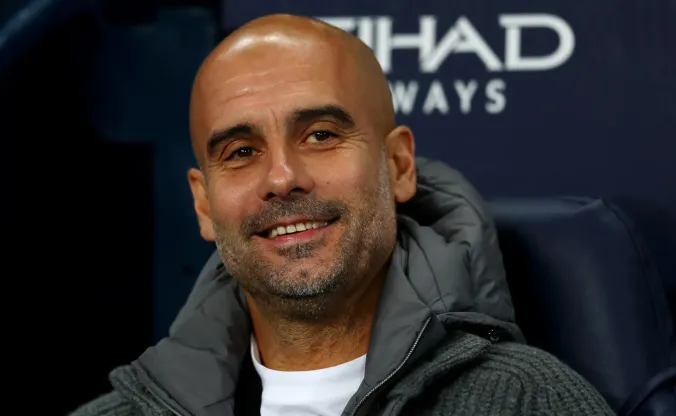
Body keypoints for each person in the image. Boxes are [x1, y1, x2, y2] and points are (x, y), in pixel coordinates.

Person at [71, 14, 614, 416]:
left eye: (321, 135)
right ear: (204, 204)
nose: (282, 177)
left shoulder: (530, 403)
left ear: (399, 165)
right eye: (240, 151)